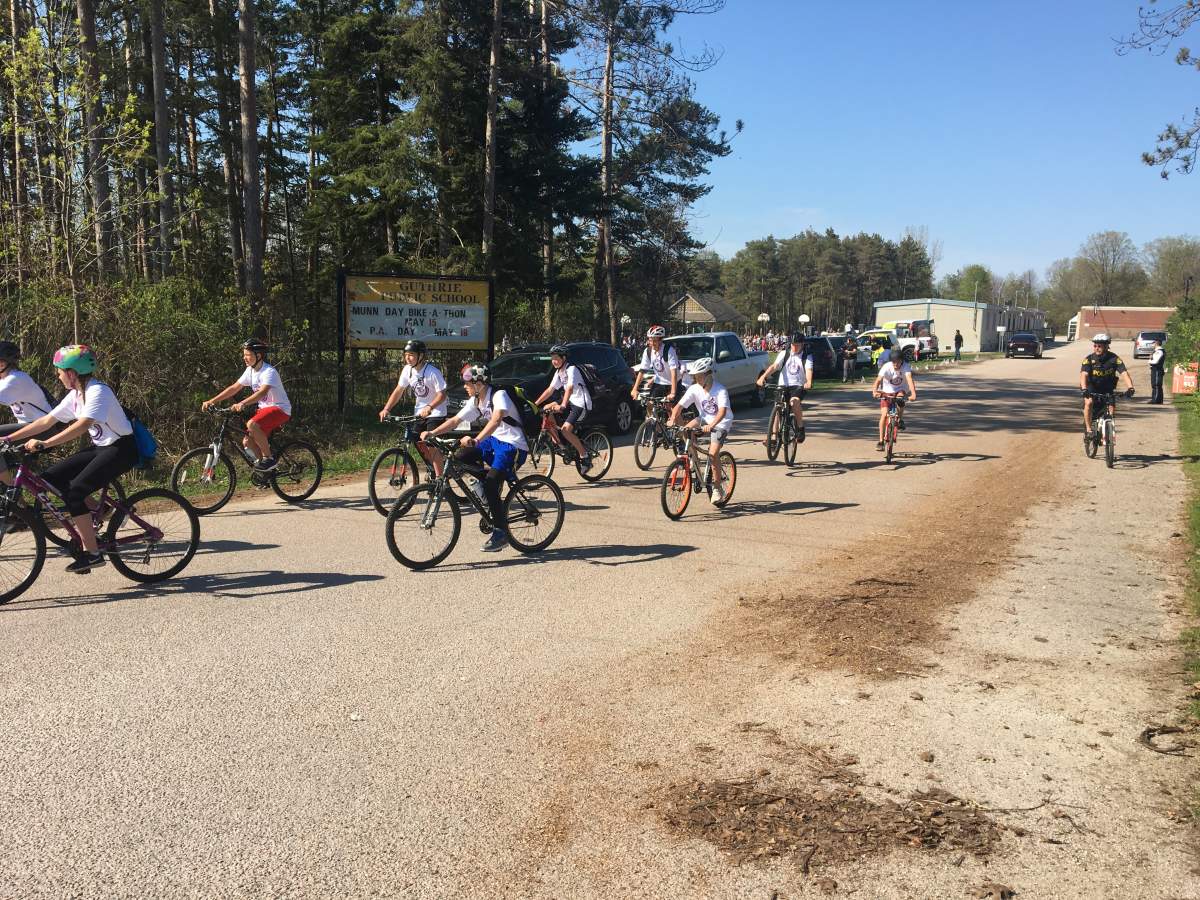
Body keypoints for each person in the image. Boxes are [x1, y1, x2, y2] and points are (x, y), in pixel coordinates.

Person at [3, 345, 137, 573]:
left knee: (76, 492)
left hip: (121, 450)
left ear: (72, 373)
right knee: (50, 479)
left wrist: (44, 443)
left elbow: (82, 425)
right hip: (101, 447)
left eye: (60, 370)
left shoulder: (98, 392)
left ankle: (93, 554)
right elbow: (47, 421)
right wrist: (8, 437)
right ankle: (95, 516)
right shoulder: (75, 395)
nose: (57, 375)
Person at [423, 364, 528, 552]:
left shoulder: (499, 396)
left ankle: (500, 532)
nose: (465, 386)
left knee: (490, 483)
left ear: (479, 383)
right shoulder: (477, 400)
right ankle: (486, 490)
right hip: (494, 441)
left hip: (513, 445)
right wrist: (432, 433)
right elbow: (456, 421)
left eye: (468, 382)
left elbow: (496, 420)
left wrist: (476, 439)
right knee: (460, 456)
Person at [202, 339, 291, 471]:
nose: (244, 358)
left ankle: (269, 459)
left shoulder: (269, 372)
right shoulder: (250, 371)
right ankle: (265, 472)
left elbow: (262, 393)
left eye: (247, 355)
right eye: (244, 354)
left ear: (259, 355)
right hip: (264, 410)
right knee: (247, 442)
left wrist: (243, 403)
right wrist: (212, 401)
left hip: (280, 409)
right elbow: (234, 388)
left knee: (251, 424)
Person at [378, 339, 448, 474]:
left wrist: (430, 407)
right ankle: (433, 468)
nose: (407, 358)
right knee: (416, 440)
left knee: (431, 445)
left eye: (411, 355)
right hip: (419, 412)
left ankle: (440, 481)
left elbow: (442, 395)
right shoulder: (407, 370)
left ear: (421, 356)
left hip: (436, 412)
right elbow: (399, 391)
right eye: (405, 355)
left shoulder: (432, 372)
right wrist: (387, 408)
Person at [669, 357, 733, 504]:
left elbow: (722, 412)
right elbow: (679, 406)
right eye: (694, 376)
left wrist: (712, 425)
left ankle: (717, 488)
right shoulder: (694, 389)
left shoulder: (720, 390)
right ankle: (694, 459)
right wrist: (673, 417)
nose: (696, 379)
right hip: (704, 418)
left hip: (721, 422)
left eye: (699, 376)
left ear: (709, 375)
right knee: (685, 430)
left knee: (712, 454)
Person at [0, 340, 59, 485]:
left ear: (3, 363)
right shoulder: (8, 379)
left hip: (44, 428)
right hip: (31, 428)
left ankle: (12, 492)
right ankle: (14, 501)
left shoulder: (16, 379)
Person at [534, 345, 593, 471]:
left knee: (566, 430)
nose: (553, 361)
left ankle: (585, 456)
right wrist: (535, 403)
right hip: (570, 401)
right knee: (546, 408)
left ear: (563, 358)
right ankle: (559, 443)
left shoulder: (571, 370)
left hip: (581, 404)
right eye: (552, 358)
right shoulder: (559, 372)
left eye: (556, 358)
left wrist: (563, 405)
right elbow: (550, 390)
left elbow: (570, 389)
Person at [756, 332, 813, 441]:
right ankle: (773, 437)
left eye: (797, 345)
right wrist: (763, 377)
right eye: (792, 344)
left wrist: (808, 382)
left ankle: (800, 428)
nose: (794, 347)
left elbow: (809, 370)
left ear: (802, 344)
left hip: (798, 386)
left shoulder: (807, 356)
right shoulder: (784, 353)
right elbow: (774, 366)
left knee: (794, 402)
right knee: (778, 407)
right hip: (783, 385)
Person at [1080, 333, 1135, 436]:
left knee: (1111, 410)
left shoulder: (1114, 359)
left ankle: (1107, 429)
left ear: (1106, 346)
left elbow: (1124, 373)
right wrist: (1084, 389)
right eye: (1095, 346)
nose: (1097, 348)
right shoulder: (1089, 359)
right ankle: (1088, 430)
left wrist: (1130, 388)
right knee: (1089, 403)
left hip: (1107, 388)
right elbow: (1084, 375)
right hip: (1091, 387)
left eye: (1099, 346)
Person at [872, 351, 918, 451]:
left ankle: (900, 419)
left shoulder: (906, 366)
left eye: (898, 362)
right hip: (887, 391)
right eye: (894, 362)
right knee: (884, 415)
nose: (896, 364)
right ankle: (881, 441)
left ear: (902, 361)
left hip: (901, 389)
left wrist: (913, 394)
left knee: (901, 398)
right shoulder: (886, 366)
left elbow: (909, 379)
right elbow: (878, 380)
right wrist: (874, 391)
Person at [631, 325, 680, 403]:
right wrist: (635, 389)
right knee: (650, 404)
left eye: (655, 341)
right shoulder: (648, 351)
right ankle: (651, 416)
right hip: (659, 382)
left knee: (672, 410)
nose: (652, 343)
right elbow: (642, 371)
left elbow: (673, 373)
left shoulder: (669, 351)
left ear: (661, 340)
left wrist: (673, 393)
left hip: (673, 383)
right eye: (650, 340)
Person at [1149, 339, 1166, 404]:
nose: (1152, 344)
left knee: (1156, 384)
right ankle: (1157, 400)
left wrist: (1150, 360)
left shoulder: (1159, 351)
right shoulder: (1157, 351)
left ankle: (1156, 400)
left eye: (1153, 343)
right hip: (1156, 369)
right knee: (1156, 385)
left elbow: (1155, 361)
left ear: (1156, 343)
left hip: (1157, 369)